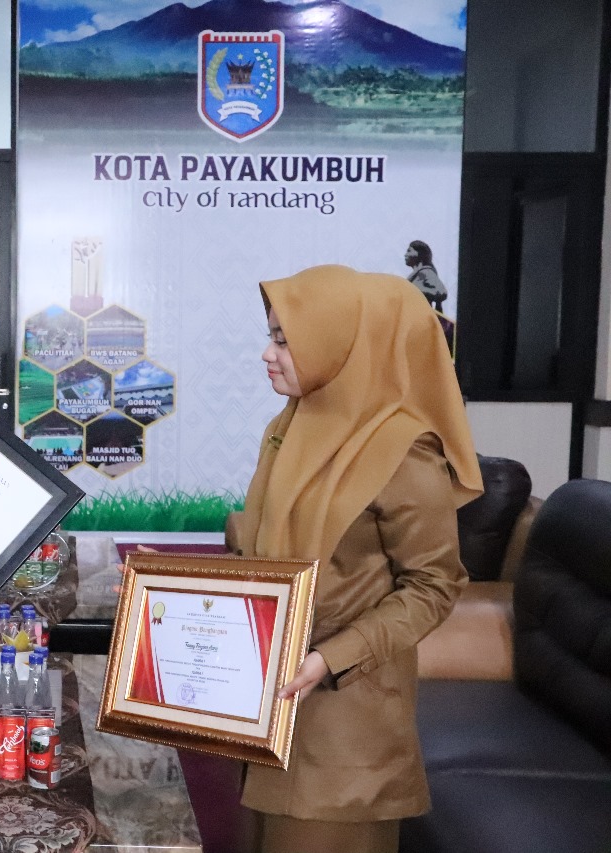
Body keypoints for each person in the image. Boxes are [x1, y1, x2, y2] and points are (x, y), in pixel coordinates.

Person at [237, 265, 482, 853]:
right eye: (272, 337)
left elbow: (434, 585)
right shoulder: (291, 425)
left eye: (284, 341)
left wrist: (331, 657)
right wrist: (175, 583)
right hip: (267, 705)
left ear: (341, 344)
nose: (267, 354)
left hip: (344, 727)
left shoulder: (403, 449)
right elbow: (268, 545)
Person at [403, 240, 447, 312]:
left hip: (421, 315)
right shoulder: (417, 274)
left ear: (420, 254)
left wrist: (416, 290)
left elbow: (442, 292)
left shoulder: (426, 272)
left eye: (409, 251)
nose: (405, 255)